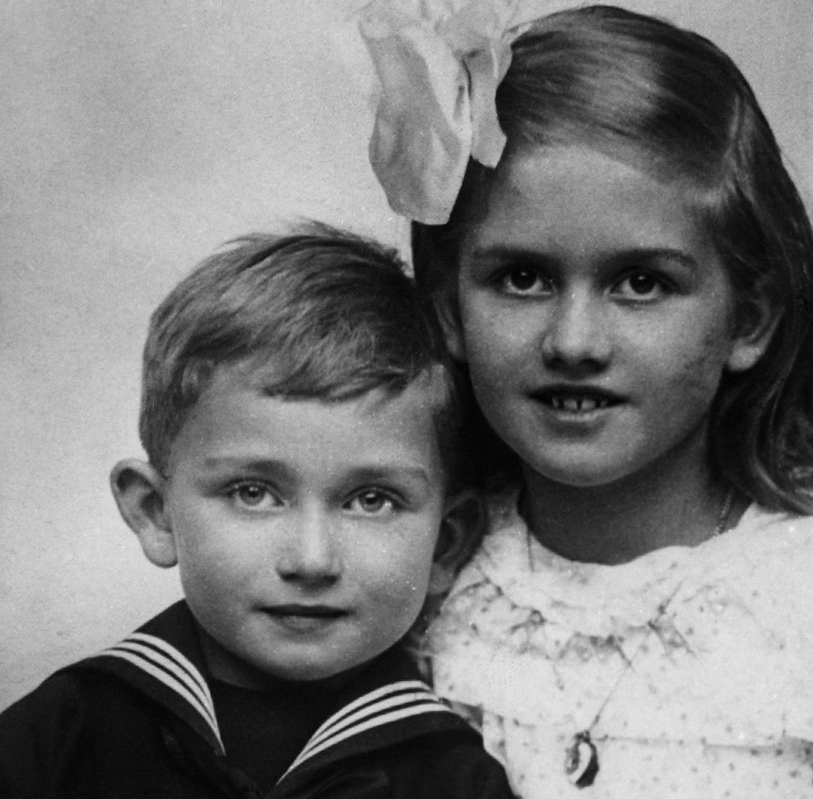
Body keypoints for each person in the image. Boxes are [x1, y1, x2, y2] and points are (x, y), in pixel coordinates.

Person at [362, 0, 813, 799]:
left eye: (641, 283)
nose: (574, 341)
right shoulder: (418, 584)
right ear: (448, 309)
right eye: (521, 278)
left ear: (751, 318)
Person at [0, 223, 515, 799]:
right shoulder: (66, 734)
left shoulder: (456, 782)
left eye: (372, 500)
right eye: (253, 493)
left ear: (446, 543)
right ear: (155, 512)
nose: (311, 560)